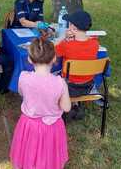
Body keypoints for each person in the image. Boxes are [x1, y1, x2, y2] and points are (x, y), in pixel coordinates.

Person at [10, 38, 71, 169]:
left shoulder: (23, 77)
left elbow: (22, 94)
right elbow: (66, 108)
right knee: (49, 155)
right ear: (54, 58)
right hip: (52, 127)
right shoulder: (60, 83)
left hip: (29, 124)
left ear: (30, 59)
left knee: (28, 151)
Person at [55, 10, 99, 119]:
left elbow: (52, 50)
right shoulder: (95, 44)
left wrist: (63, 38)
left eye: (69, 24)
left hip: (68, 87)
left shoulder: (66, 45)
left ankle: (62, 107)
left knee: (53, 74)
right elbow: (83, 45)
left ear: (73, 28)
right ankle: (75, 106)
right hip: (88, 86)